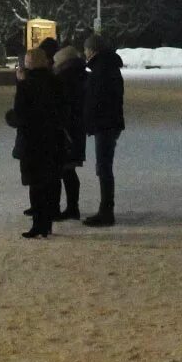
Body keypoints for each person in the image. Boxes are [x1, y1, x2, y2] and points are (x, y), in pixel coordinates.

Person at [7, 47, 65, 238]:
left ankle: (39, 224)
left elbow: (21, 113)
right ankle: (46, 223)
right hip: (52, 139)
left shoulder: (29, 84)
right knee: (48, 182)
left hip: (32, 141)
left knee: (36, 184)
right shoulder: (54, 81)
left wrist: (20, 85)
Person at [82, 33, 124, 227]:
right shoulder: (108, 67)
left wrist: (89, 120)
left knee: (104, 168)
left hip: (105, 124)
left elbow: (97, 99)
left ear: (93, 50)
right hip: (109, 122)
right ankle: (106, 209)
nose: (85, 53)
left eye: (87, 49)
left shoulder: (102, 69)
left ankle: (106, 211)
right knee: (104, 167)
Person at [52, 43, 87, 220]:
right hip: (77, 129)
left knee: (63, 169)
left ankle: (67, 208)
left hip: (66, 129)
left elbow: (62, 104)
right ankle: (73, 206)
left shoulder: (65, 78)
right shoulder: (81, 75)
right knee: (69, 169)